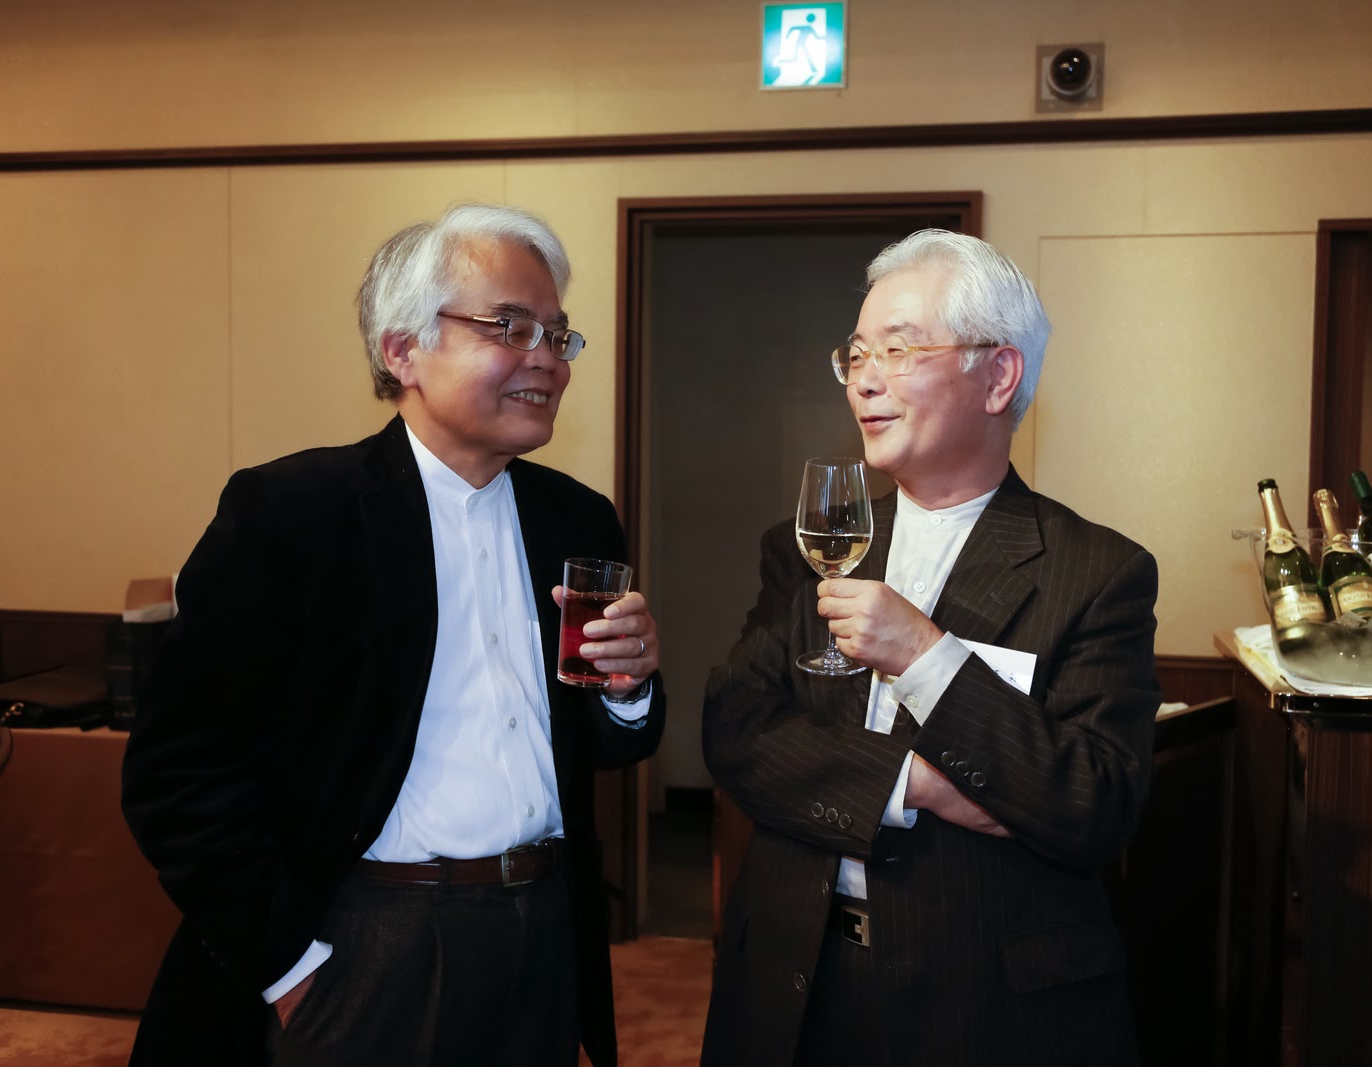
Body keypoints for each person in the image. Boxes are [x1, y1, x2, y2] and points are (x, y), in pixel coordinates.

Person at [122, 203, 665, 1067]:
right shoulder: (295, 515)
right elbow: (177, 775)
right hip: (362, 936)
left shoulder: (578, 519)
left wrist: (629, 688)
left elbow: (600, 743)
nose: (546, 359)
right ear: (403, 349)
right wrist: (291, 968)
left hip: (542, 931)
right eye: (510, 327)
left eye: (557, 335)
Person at [700, 229, 1159, 1066]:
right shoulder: (813, 545)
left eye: (900, 349)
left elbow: (1092, 804)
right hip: (794, 983)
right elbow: (736, 730)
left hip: (986, 1009)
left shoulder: (1097, 572)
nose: (865, 379)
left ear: (999, 375)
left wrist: (927, 655)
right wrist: (916, 784)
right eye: (856, 354)